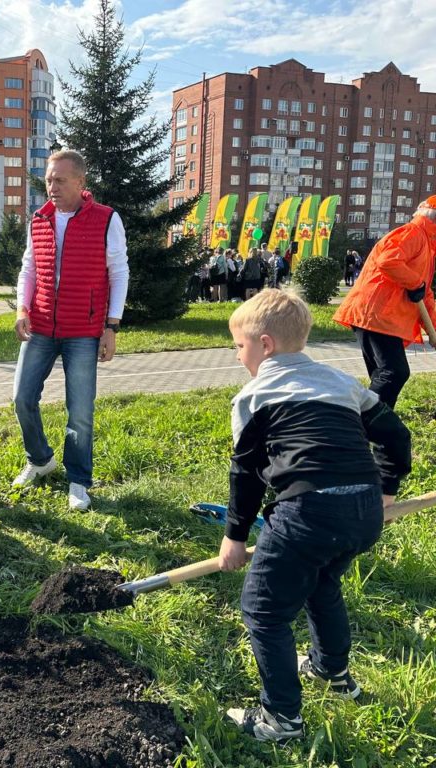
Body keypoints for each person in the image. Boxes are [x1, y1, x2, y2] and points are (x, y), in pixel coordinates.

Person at [220, 289, 411, 743]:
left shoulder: (253, 396)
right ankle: (332, 671)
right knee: (322, 582)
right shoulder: (341, 382)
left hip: (307, 511)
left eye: (239, 345)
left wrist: (234, 536)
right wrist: (384, 489)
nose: (237, 354)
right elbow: (395, 435)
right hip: (363, 512)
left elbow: (245, 473)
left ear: (264, 345)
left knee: (264, 611)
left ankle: (281, 719)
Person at [12, 149, 129, 511]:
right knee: (22, 398)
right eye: (49, 179)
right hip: (42, 325)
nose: (52, 186)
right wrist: (22, 308)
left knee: (80, 410)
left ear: (81, 182)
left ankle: (78, 480)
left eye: (60, 180)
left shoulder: (107, 219)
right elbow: (28, 268)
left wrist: (111, 325)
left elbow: (119, 272)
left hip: (84, 330)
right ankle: (40, 459)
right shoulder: (39, 220)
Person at [333, 196, 436, 408]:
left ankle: (373, 430)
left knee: (383, 376)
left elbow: (424, 294)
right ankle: (365, 422)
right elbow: (388, 261)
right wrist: (415, 283)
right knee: (394, 372)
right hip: (376, 314)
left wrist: (433, 328)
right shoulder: (413, 232)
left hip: (383, 318)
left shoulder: (427, 246)